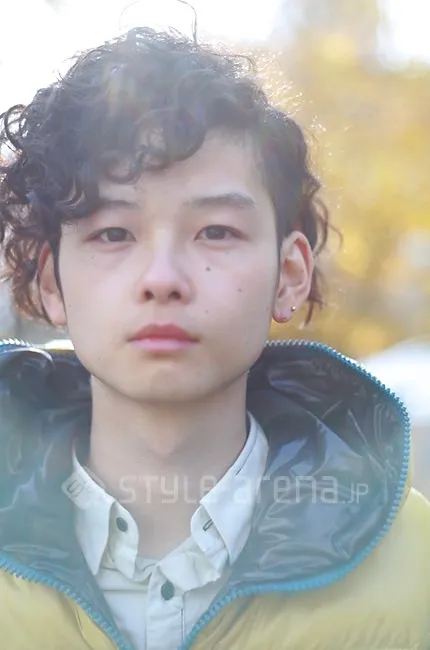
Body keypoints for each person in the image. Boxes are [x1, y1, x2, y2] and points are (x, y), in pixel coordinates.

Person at [0, 26, 429, 650]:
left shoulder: (414, 568)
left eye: (216, 232)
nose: (162, 279)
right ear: (51, 282)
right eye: (113, 234)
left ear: (289, 275)